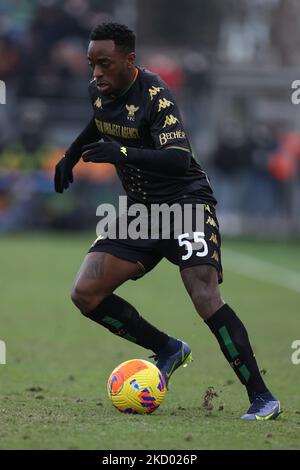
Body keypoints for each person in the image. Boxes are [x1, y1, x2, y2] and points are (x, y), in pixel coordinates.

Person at [54, 22, 280, 420]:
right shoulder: (99, 91)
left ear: (130, 60)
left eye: (105, 64)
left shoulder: (157, 96)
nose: (97, 74)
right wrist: (71, 155)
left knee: (204, 295)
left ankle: (262, 397)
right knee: (85, 293)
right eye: (92, 64)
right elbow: (99, 122)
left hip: (185, 203)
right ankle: (168, 349)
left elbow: (177, 159)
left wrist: (120, 153)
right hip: (142, 211)